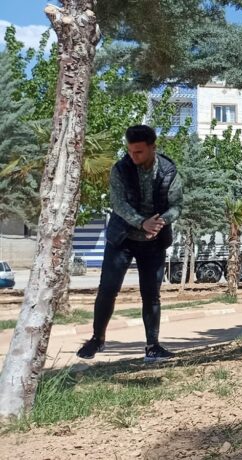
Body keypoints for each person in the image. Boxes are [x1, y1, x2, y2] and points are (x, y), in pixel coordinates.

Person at [77, 125, 182, 362]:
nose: (134, 157)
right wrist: (141, 222)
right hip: (122, 238)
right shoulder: (120, 169)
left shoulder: (169, 171)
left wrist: (160, 222)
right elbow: (119, 204)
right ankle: (97, 339)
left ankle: (153, 347)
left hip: (153, 241)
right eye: (131, 151)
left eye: (139, 152)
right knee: (107, 290)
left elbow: (177, 205)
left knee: (151, 295)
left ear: (153, 148)